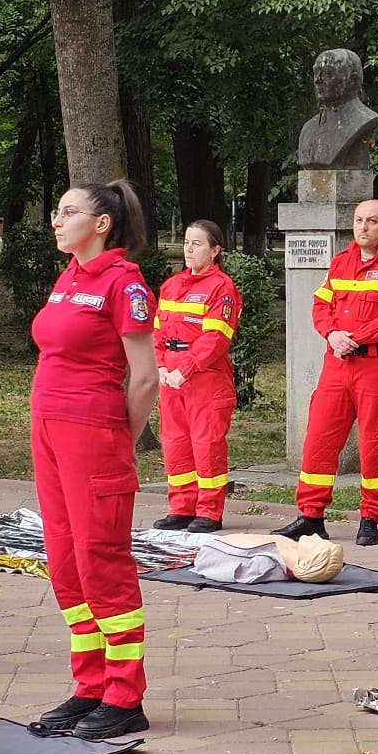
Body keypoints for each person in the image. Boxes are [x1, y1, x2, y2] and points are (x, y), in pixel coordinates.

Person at [29, 181, 161, 740]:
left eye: (69, 212)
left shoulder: (123, 283)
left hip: (92, 433)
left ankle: (125, 695)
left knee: (100, 559)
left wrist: (119, 440)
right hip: (50, 431)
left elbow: (146, 376)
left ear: (102, 224)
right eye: (56, 211)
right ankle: (91, 685)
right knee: (64, 560)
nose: (57, 220)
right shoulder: (69, 278)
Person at [276, 199, 378, 548]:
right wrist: (331, 334)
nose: (363, 227)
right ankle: (311, 516)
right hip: (337, 364)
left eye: (372, 221)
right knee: (319, 439)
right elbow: (320, 305)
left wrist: (356, 337)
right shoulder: (341, 262)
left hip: (377, 366)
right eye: (358, 220)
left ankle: (371, 517)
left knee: (375, 442)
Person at [153, 219, 239, 534]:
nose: (188, 249)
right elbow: (158, 332)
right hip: (171, 378)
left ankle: (209, 512)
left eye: (197, 243)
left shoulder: (222, 288)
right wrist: (160, 366)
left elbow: (215, 339)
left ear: (215, 250)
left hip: (205, 379)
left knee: (207, 445)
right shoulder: (171, 286)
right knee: (175, 443)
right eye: (187, 242)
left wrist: (185, 369)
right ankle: (181, 507)